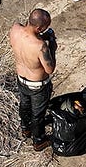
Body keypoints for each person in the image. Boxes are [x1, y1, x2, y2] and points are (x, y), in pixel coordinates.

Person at [8, 8, 57, 150]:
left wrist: (40, 35)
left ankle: (25, 128)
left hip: (21, 78)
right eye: (45, 27)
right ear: (39, 28)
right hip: (37, 85)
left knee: (24, 104)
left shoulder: (15, 29)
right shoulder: (40, 46)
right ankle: (39, 140)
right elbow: (50, 69)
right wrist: (52, 46)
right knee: (38, 114)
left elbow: (27, 36)